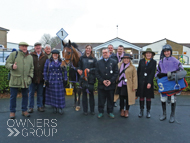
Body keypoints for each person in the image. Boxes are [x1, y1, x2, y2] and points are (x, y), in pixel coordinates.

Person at [155, 44, 184, 123]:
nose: (166, 53)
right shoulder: (161, 61)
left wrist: (174, 74)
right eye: (165, 51)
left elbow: (181, 69)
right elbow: (158, 71)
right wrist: (157, 76)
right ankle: (164, 114)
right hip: (164, 83)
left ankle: (172, 115)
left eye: (168, 51)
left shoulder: (175, 60)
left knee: (172, 99)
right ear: (163, 52)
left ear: (170, 51)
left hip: (172, 83)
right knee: (163, 99)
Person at [5, 42, 34, 119]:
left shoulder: (30, 57)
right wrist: (12, 66)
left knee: (25, 96)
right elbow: (7, 64)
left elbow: (32, 68)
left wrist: (30, 77)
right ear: (19, 47)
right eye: (23, 46)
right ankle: (12, 112)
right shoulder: (14, 54)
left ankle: (24, 110)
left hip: (25, 80)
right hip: (15, 79)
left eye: (26, 46)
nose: (24, 48)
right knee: (13, 96)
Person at [95, 48, 118, 119]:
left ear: (109, 53)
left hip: (111, 85)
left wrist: (111, 81)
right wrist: (102, 81)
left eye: (106, 52)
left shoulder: (114, 62)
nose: (105, 54)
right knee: (101, 99)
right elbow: (97, 73)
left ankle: (110, 112)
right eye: (103, 53)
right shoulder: (98, 62)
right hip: (102, 85)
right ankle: (100, 112)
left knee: (110, 99)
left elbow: (116, 72)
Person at [43, 49, 65, 114]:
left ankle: (60, 108)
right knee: (53, 95)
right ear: (52, 55)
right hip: (51, 80)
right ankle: (55, 107)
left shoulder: (62, 61)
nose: (55, 55)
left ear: (58, 55)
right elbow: (44, 71)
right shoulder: (48, 61)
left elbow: (65, 71)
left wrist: (65, 79)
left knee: (60, 95)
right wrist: (45, 79)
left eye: (56, 54)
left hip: (59, 81)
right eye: (54, 54)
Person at [137, 48, 157, 118]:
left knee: (148, 97)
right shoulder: (141, 61)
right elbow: (138, 71)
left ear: (152, 55)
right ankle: (141, 110)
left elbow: (152, 73)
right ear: (145, 54)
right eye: (147, 53)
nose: (148, 54)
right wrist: (137, 81)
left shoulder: (154, 62)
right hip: (141, 81)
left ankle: (148, 111)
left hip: (149, 82)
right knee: (141, 96)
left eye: (150, 53)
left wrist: (149, 82)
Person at [77, 45, 97, 115]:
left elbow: (96, 69)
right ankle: (85, 110)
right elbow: (78, 66)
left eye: (89, 48)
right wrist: (78, 70)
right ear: (85, 49)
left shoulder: (94, 59)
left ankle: (92, 110)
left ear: (91, 50)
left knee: (91, 95)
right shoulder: (82, 58)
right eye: (87, 48)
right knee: (84, 95)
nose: (88, 49)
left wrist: (90, 70)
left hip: (91, 79)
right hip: (83, 79)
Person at [28, 42, 48, 113]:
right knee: (31, 93)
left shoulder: (45, 56)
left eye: (39, 46)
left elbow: (47, 67)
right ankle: (31, 107)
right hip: (32, 78)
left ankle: (40, 106)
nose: (38, 47)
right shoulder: (30, 55)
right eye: (36, 46)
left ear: (41, 47)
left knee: (40, 93)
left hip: (41, 78)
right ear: (34, 48)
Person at [116, 53, 137, 118]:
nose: (126, 60)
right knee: (121, 98)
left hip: (129, 85)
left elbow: (134, 77)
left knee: (128, 98)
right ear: (123, 59)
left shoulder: (132, 67)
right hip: (120, 84)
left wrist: (134, 86)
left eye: (127, 58)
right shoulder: (119, 65)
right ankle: (122, 110)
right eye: (125, 58)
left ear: (129, 59)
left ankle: (127, 110)